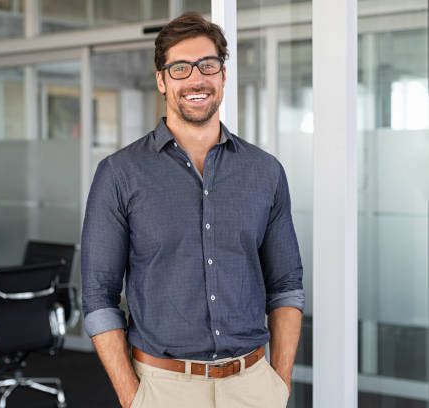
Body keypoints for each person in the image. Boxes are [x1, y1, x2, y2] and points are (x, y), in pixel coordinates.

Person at [81, 12, 304, 408]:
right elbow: (99, 297)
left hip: (253, 387)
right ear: (161, 80)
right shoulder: (119, 173)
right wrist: (132, 397)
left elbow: (286, 285)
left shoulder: (265, 171)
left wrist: (279, 384)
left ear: (222, 76)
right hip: (162, 389)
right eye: (180, 68)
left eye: (208, 65)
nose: (196, 79)